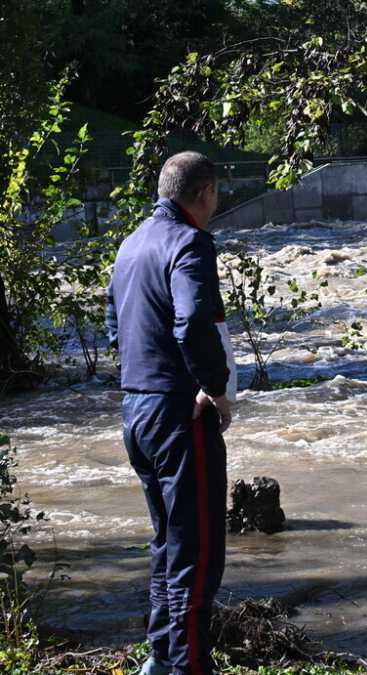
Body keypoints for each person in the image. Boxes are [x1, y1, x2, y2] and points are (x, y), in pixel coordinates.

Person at [106, 151, 234, 675]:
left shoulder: (131, 245)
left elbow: (116, 331)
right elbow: (192, 323)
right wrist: (215, 386)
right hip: (180, 414)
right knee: (197, 557)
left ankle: (159, 660)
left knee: (167, 545)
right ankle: (187, 668)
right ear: (203, 194)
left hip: (136, 410)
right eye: (216, 195)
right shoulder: (190, 243)